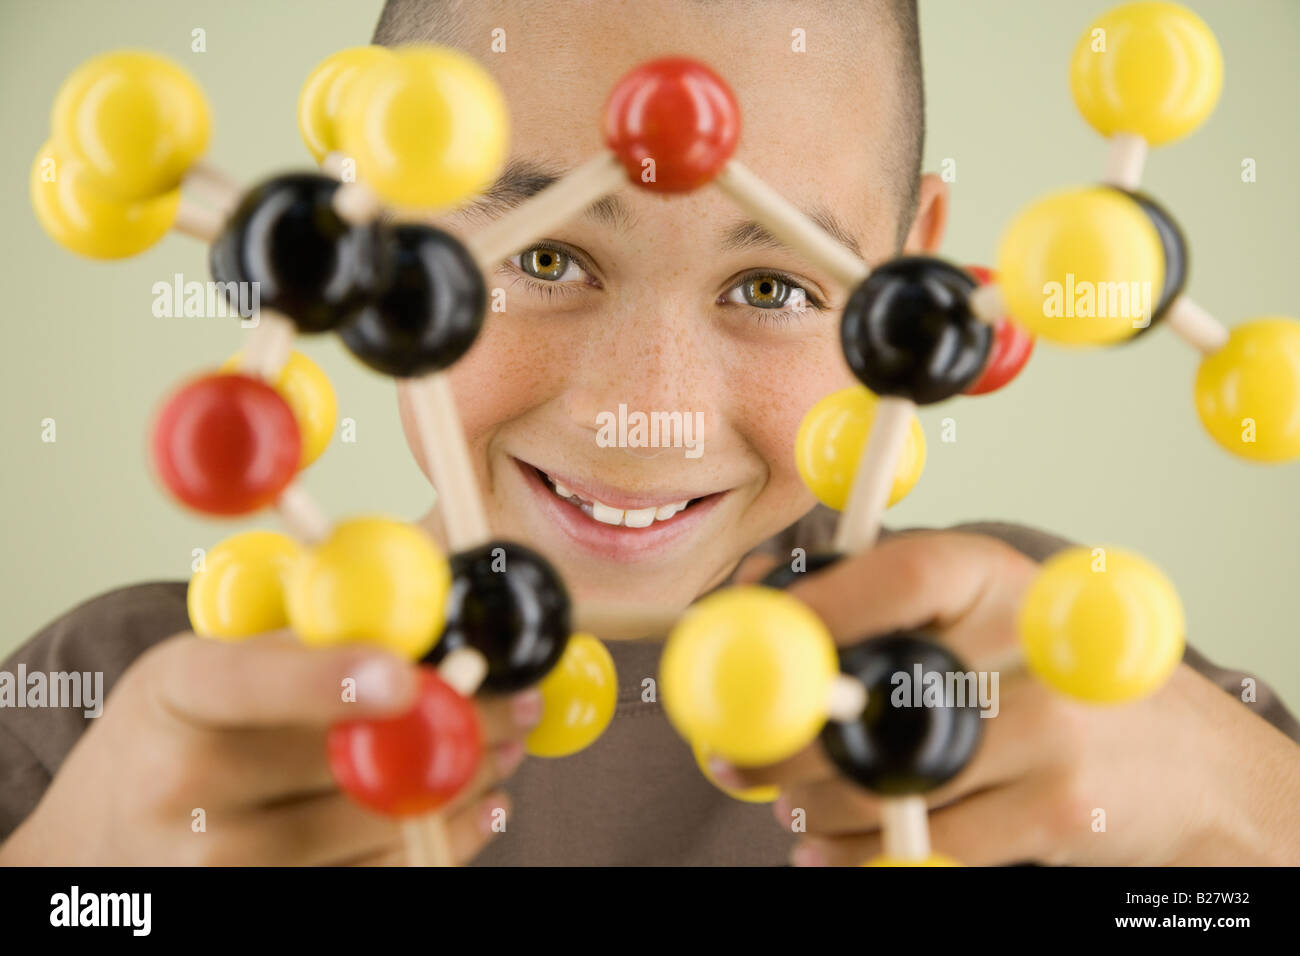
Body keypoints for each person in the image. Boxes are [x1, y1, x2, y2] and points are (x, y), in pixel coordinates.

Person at [2, 0, 1297, 866]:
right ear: (362, 237)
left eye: (775, 283)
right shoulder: (116, 713)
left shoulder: (1055, 677)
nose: (649, 405)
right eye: (548, 253)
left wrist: (1249, 819)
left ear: (918, 279)